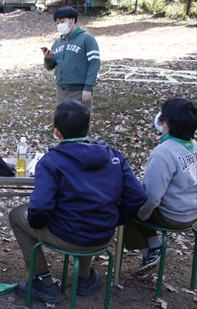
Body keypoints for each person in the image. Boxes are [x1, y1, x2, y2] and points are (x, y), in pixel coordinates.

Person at [8, 100, 147, 304]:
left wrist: (38, 225)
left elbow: (39, 207)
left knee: (17, 215)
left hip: (66, 233)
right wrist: (116, 218)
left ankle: (43, 282)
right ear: (88, 128)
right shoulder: (114, 156)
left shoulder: (51, 161)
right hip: (103, 234)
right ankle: (85, 278)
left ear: (57, 132)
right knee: (87, 214)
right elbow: (138, 196)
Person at [124, 97, 197, 279]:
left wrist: (138, 215)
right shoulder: (194, 146)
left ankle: (151, 251)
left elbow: (151, 197)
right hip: (191, 212)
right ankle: (156, 247)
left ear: (167, 123)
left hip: (172, 214)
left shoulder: (164, 152)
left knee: (125, 207)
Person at [42, 6, 100, 135]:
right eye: (57, 23)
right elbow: (50, 66)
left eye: (62, 21)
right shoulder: (58, 42)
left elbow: (94, 64)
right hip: (61, 90)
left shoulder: (87, 39)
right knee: (61, 125)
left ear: (72, 20)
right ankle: (63, 152)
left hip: (79, 91)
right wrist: (47, 59)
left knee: (80, 126)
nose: (59, 25)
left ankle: (85, 152)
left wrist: (88, 87)